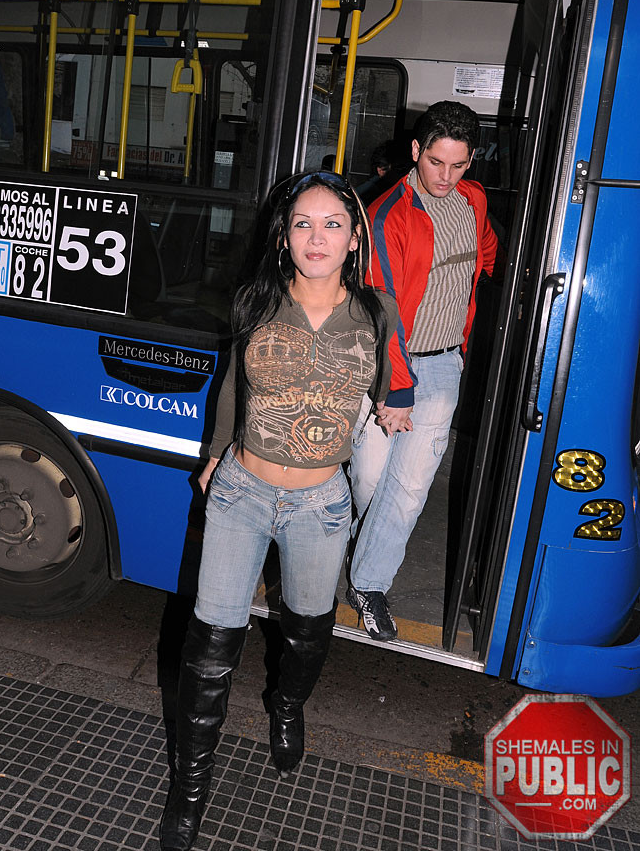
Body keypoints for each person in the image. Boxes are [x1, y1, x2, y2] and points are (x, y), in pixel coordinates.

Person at [160, 170, 414, 851]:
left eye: (332, 222)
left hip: (321, 505)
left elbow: (395, 382)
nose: (316, 235)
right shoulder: (255, 300)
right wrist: (216, 452)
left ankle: (286, 705)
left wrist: (398, 404)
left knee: (307, 633)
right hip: (242, 493)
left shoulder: (377, 311)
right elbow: (231, 382)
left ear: (355, 236)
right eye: (302, 222)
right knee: (209, 649)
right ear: (283, 236)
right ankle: (188, 794)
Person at [347, 101, 500, 642]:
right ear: (416, 151)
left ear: (471, 160)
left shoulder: (473, 201)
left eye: (458, 166)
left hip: (444, 367)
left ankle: (367, 584)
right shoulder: (388, 214)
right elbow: (380, 307)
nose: (446, 177)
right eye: (436, 163)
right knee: (368, 480)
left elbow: (483, 251)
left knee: (408, 490)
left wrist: (476, 272)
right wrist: (399, 388)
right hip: (390, 369)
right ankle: (366, 548)